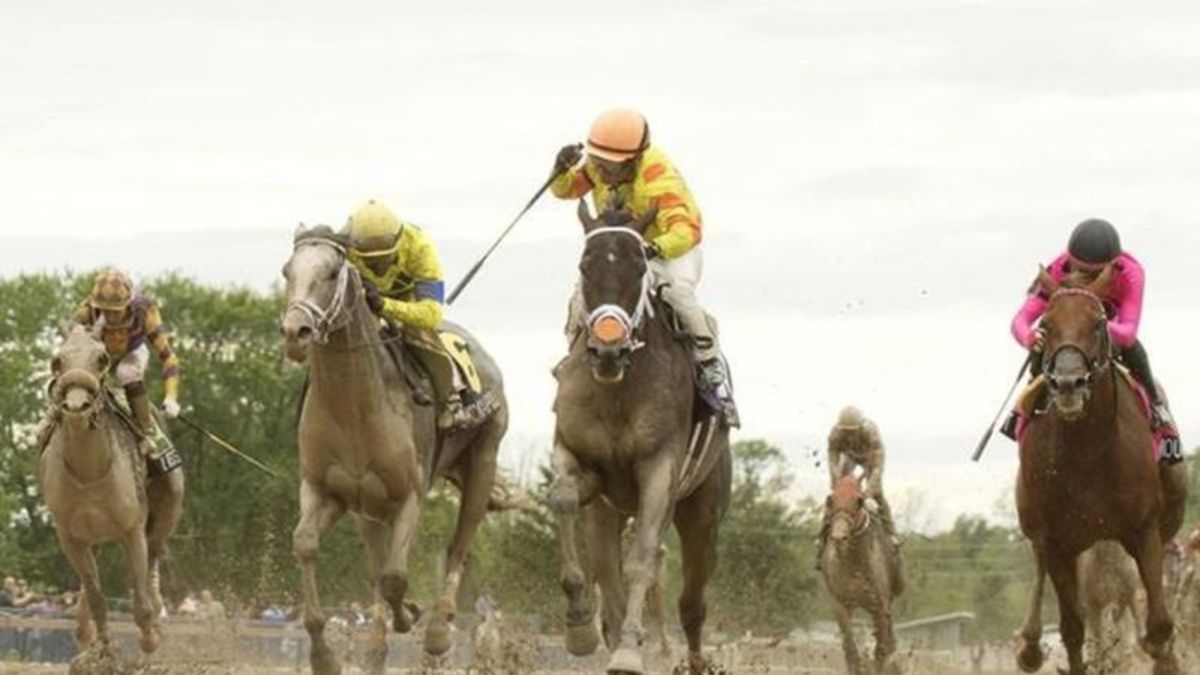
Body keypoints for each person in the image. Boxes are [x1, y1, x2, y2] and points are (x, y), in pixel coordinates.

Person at [550, 108, 735, 422]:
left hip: (671, 249)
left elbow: (687, 230)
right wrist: (559, 169)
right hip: (624, 251)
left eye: (609, 168)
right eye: (597, 163)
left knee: (677, 293)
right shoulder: (599, 164)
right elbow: (567, 190)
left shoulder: (659, 180)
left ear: (634, 161)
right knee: (583, 293)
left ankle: (709, 364)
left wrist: (653, 248)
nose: (600, 173)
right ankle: (577, 358)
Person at [1010, 218, 1181, 460]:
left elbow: (1129, 332)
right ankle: (1020, 416)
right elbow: (1020, 319)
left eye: (1094, 273)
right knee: (1043, 348)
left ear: (1113, 265)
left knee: (1137, 352)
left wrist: (1092, 325)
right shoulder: (1056, 269)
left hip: (1108, 327)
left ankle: (1159, 414)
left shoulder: (1132, 273)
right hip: (1069, 331)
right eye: (1078, 268)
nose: (1084, 276)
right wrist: (1029, 336)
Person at [345, 200, 491, 430]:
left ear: (399, 243)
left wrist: (384, 305)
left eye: (385, 259)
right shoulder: (342, 248)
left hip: (408, 296)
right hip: (361, 298)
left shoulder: (420, 247)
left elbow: (432, 314)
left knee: (422, 332)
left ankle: (454, 399)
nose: (378, 268)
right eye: (369, 262)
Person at [64, 269, 182, 470]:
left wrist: (171, 397)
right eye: (104, 310)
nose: (108, 316)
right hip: (99, 354)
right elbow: (70, 349)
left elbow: (169, 358)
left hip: (131, 353)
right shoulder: (86, 311)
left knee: (127, 373)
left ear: (128, 305)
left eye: (114, 310)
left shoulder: (146, 312)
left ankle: (145, 434)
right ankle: (50, 421)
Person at [825, 406, 900, 546]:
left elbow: (877, 467)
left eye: (852, 432)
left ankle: (891, 533)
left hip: (870, 458)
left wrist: (869, 493)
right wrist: (835, 483)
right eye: (845, 432)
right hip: (849, 458)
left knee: (878, 494)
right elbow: (832, 459)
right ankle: (823, 536)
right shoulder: (835, 434)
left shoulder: (871, 432)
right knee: (838, 495)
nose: (848, 436)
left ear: (860, 428)